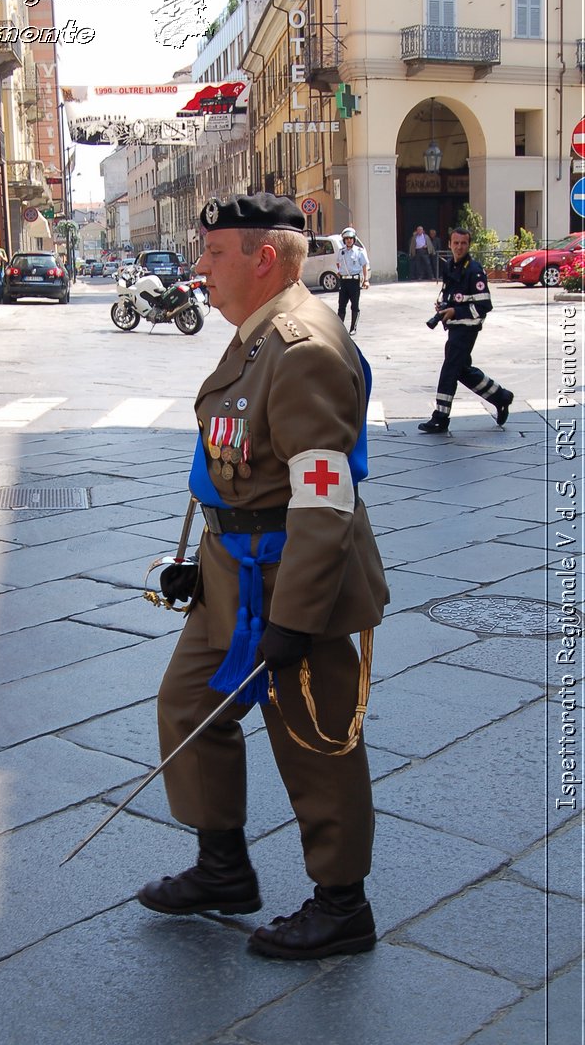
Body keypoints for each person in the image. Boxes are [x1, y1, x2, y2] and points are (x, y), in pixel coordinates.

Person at [137, 193, 389, 961]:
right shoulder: (253, 339)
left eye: (214, 255)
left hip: (289, 579)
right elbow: (230, 456)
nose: (200, 269)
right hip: (229, 573)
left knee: (314, 738)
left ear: (264, 258)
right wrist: (195, 557)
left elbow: (325, 498)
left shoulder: (302, 344)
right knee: (188, 706)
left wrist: (296, 617)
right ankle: (224, 868)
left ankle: (342, 904)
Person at [419, 226, 513, 433]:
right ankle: (501, 397)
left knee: (450, 369)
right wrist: (444, 307)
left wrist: (455, 311)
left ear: (468, 245)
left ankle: (440, 417)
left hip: (467, 328)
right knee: (461, 370)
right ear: (450, 245)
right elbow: (452, 296)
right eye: (456, 243)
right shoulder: (450, 266)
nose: (459, 247)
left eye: (463, 243)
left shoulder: (475, 270)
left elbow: (484, 305)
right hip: (454, 327)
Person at [336, 226, 369, 335]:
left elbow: (364, 266)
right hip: (344, 281)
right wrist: (340, 270)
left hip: (354, 281)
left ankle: (353, 328)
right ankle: (340, 328)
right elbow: (338, 263)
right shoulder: (341, 251)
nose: (349, 240)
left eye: (350, 238)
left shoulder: (359, 251)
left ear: (354, 240)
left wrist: (366, 280)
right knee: (341, 305)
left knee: (354, 305)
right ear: (344, 240)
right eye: (346, 239)